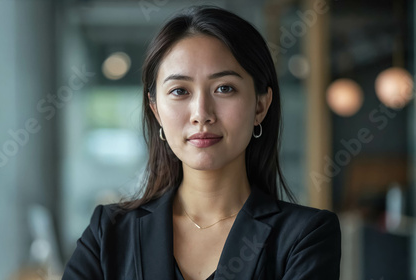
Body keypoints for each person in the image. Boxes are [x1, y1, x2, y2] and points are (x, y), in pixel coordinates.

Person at [62, 5, 341, 280]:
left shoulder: (305, 236)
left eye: (224, 88)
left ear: (260, 106)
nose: (201, 114)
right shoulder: (109, 231)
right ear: (155, 109)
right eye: (180, 91)